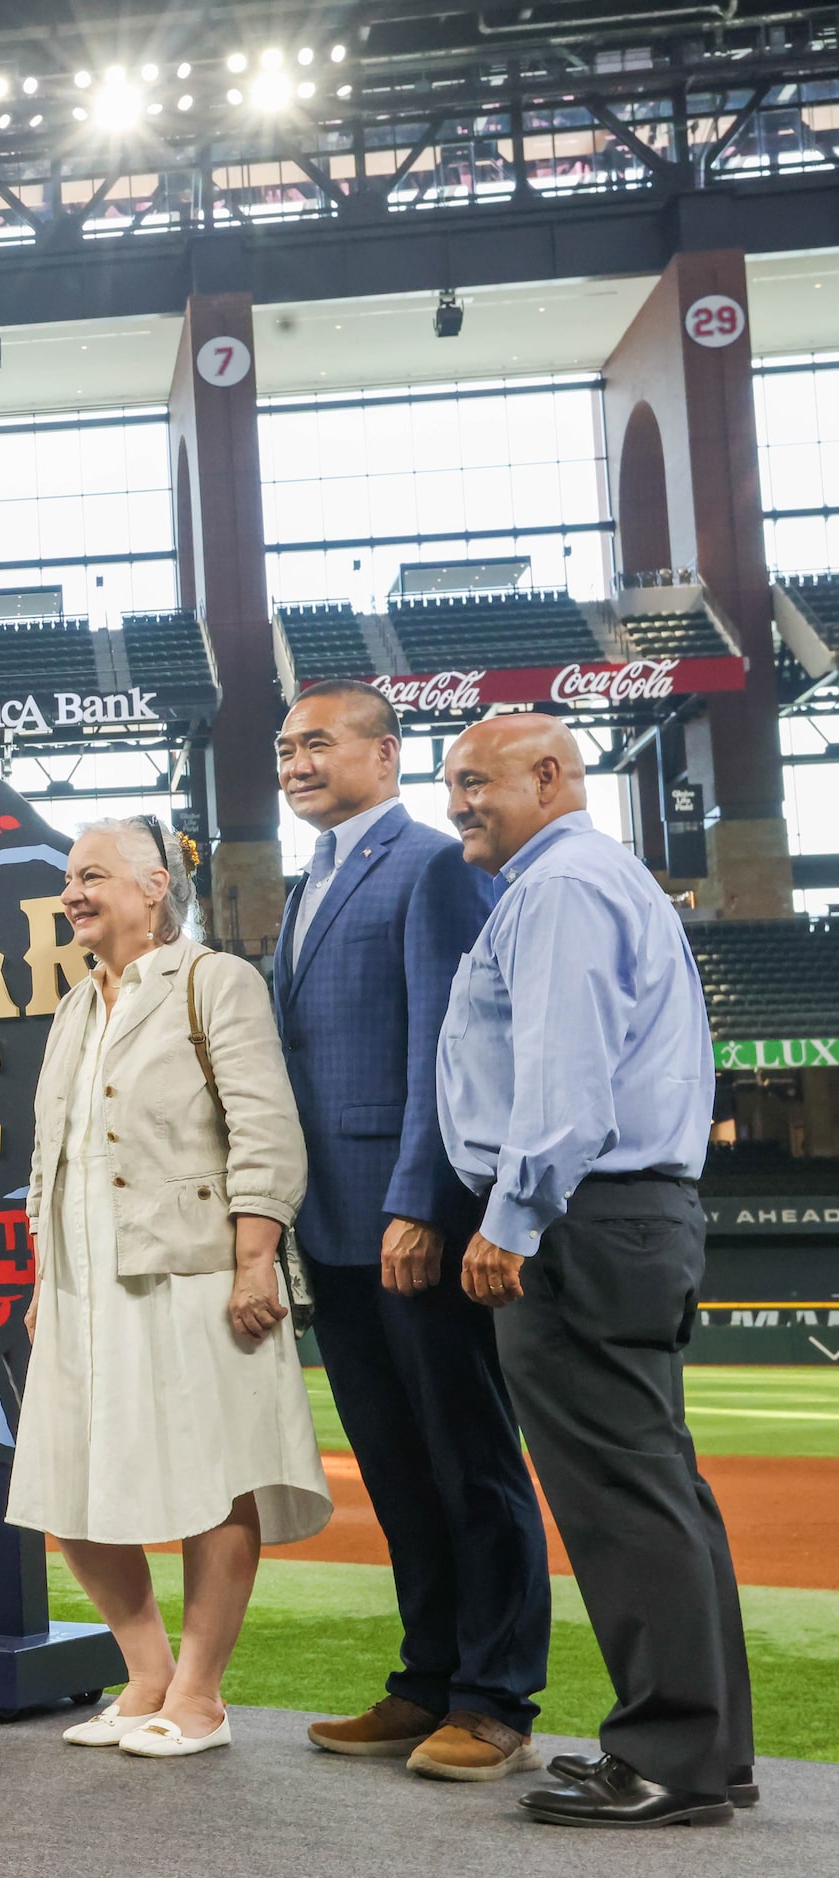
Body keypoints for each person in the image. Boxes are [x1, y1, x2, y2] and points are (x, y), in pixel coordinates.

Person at [436, 714, 754, 1827]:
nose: (459, 802)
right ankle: (711, 1751)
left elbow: (562, 1081)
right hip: (627, 1214)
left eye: (476, 781)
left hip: (579, 1216)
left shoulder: (561, 886)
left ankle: (667, 1757)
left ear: (549, 776)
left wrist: (510, 1219)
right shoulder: (588, 878)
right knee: (660, 1484)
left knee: (620, 1494)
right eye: (452, 784)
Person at [7, 815, 330, 1759]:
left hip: (190, 1276)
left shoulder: (213, 981)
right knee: (67, 1487)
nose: (72, 892)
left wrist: (254, 1259)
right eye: (69, 877)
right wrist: (39, 1275)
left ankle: (199, 1697)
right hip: (76, 1284)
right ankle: (142, 1672)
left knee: (212, 1480)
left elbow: (264, 1128)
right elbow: (47, 1157)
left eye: (92, 875)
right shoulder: (73, 1005)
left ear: (154, 887)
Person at [272, 680, 549, 1781]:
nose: (293, 762)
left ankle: (494, 1701)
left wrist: (419, 1203)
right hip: (331, 1229)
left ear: (384, 756)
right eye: (283, 747)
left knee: (468, 1462)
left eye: (317, 743)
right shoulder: (310, 881)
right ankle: (424, 1678)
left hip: (407, 1220)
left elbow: (452, 1045)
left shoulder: (430, 863)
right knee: (391, 1464)